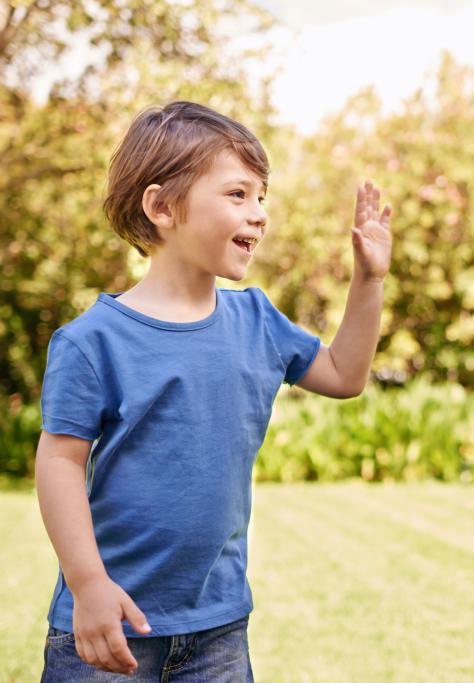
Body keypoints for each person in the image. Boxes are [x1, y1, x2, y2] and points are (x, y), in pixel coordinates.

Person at [34, 101, 393, 681]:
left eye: (261, 198)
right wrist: (87, 584)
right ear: (162, 207)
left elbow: (345, 375)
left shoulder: (257, 321)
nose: (259, 214)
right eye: (237, 195)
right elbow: (58, 462)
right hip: (108, 625)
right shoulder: (92, 341)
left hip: (218, 628)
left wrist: (369, 279)